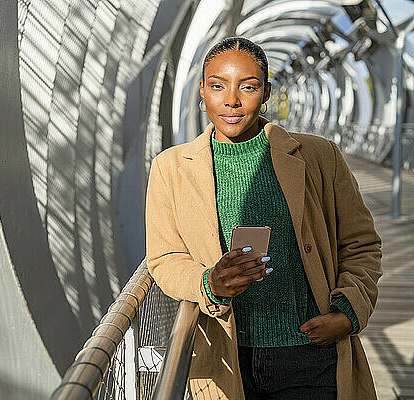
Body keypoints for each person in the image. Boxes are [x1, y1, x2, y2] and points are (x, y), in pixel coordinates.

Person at [145, 36, 382, 400]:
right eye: (217, 86)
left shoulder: (319, 156)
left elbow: (361, 243)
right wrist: (209, 283)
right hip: (225, 358)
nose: (231, 101)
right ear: (202, 91)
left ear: (267, 91)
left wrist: (350, 310)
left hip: (311, 352)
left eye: (249, 86)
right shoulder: (171, 168)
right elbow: (165, 259)